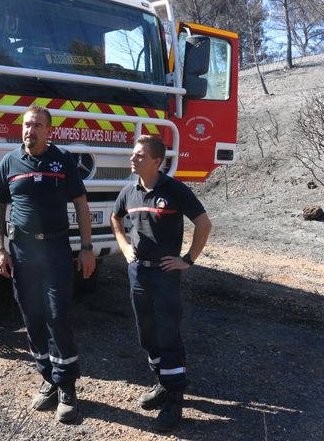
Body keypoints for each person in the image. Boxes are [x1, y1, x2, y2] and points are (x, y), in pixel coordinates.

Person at [0, 104, 96, 423]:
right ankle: (49, 378)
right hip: (22, 252)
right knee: (32, 317)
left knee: (57, 315)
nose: (29, 130)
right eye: (26, 124)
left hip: (56, 250)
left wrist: (87, 248)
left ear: (49, 130)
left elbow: (81, 205)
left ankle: (67, 387)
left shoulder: (62, 160)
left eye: (37, 125)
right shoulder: (10, 162)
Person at [110, 135, 212, 432]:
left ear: (157, 161)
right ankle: (162, 383)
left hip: (166, 275)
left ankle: (175, 399)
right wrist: (124, 246)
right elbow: (116, 220)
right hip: (138, 273)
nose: (133, 159)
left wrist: (188, 260)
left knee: (168, 334)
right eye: (133, 154)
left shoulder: (175, 190)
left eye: (139, 155)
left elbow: (204, 223)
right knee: (147, 333)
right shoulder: (129, 191)